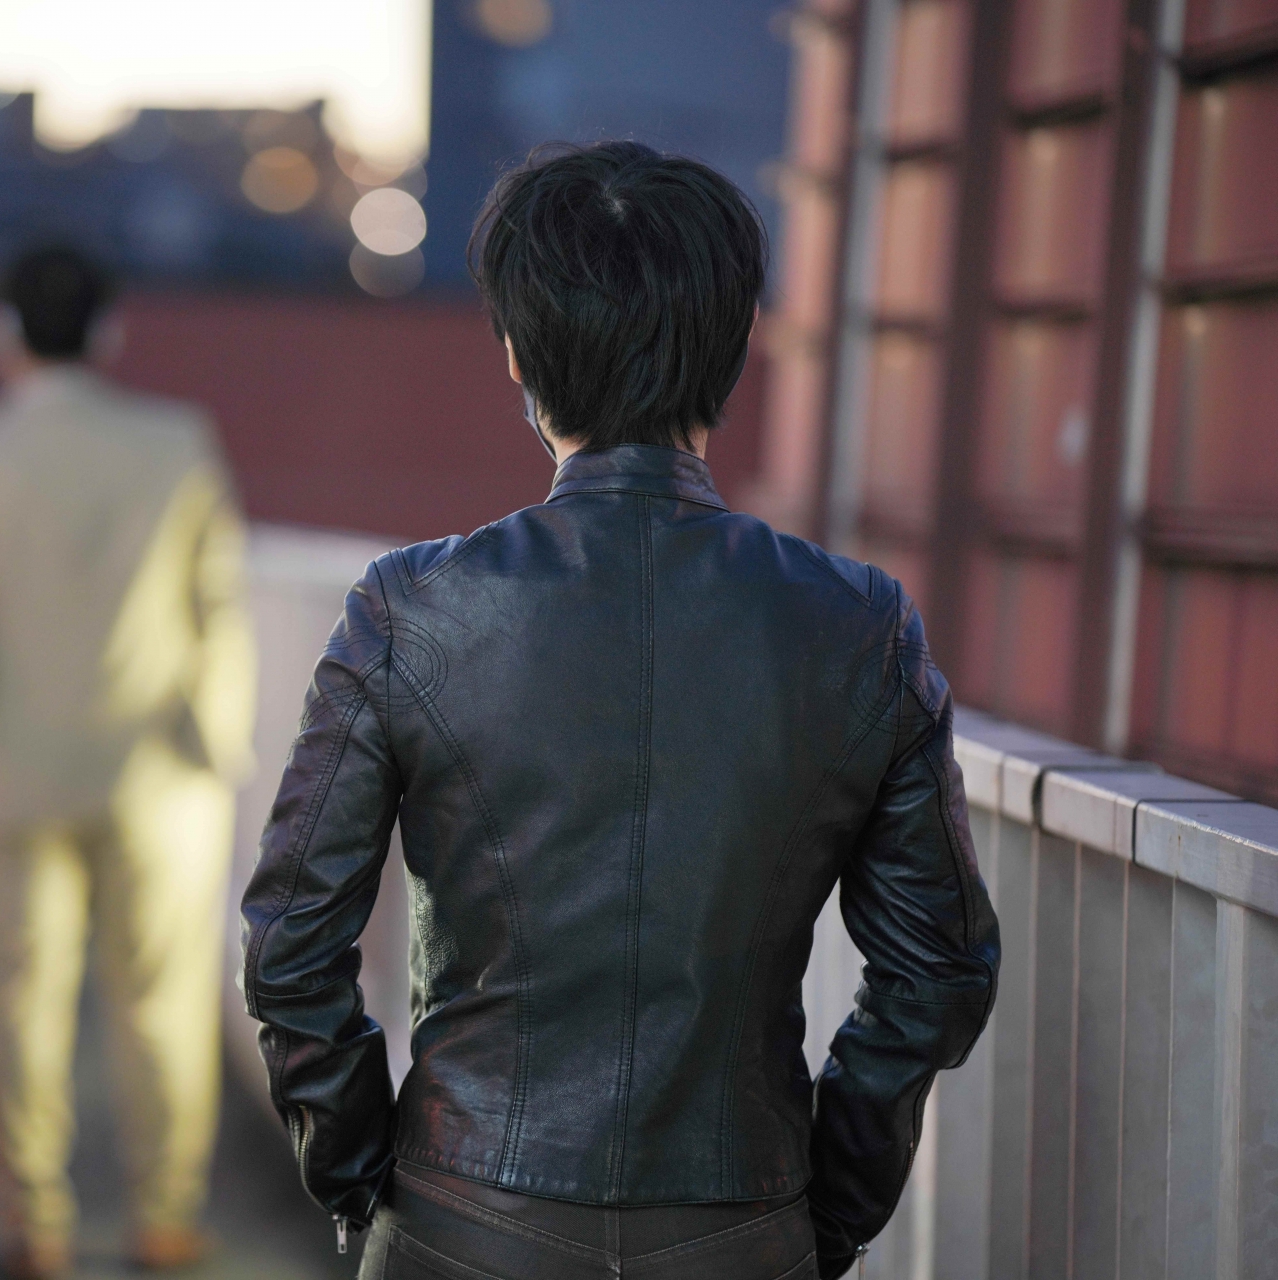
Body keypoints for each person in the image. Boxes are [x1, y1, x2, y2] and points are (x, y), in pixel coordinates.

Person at [241, 141, 1001, 1280]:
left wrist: (359, 1176)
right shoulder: (857, 624)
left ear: (517, 351)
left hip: (462, 1217)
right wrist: (824, 1211)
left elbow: (292, 947)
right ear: (734, 347)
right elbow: (936, 970)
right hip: (743, 1225)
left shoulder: (411, 610)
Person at [0, 246, 256, 1277]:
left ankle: (34, 1227)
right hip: (157, 775)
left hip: (7, 769)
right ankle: (164, 1218)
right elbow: (219, 601)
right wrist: (218, 744)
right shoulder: (177, 442)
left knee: (17, 1008)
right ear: (110, 332)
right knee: (160, 1003)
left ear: (1, 335)